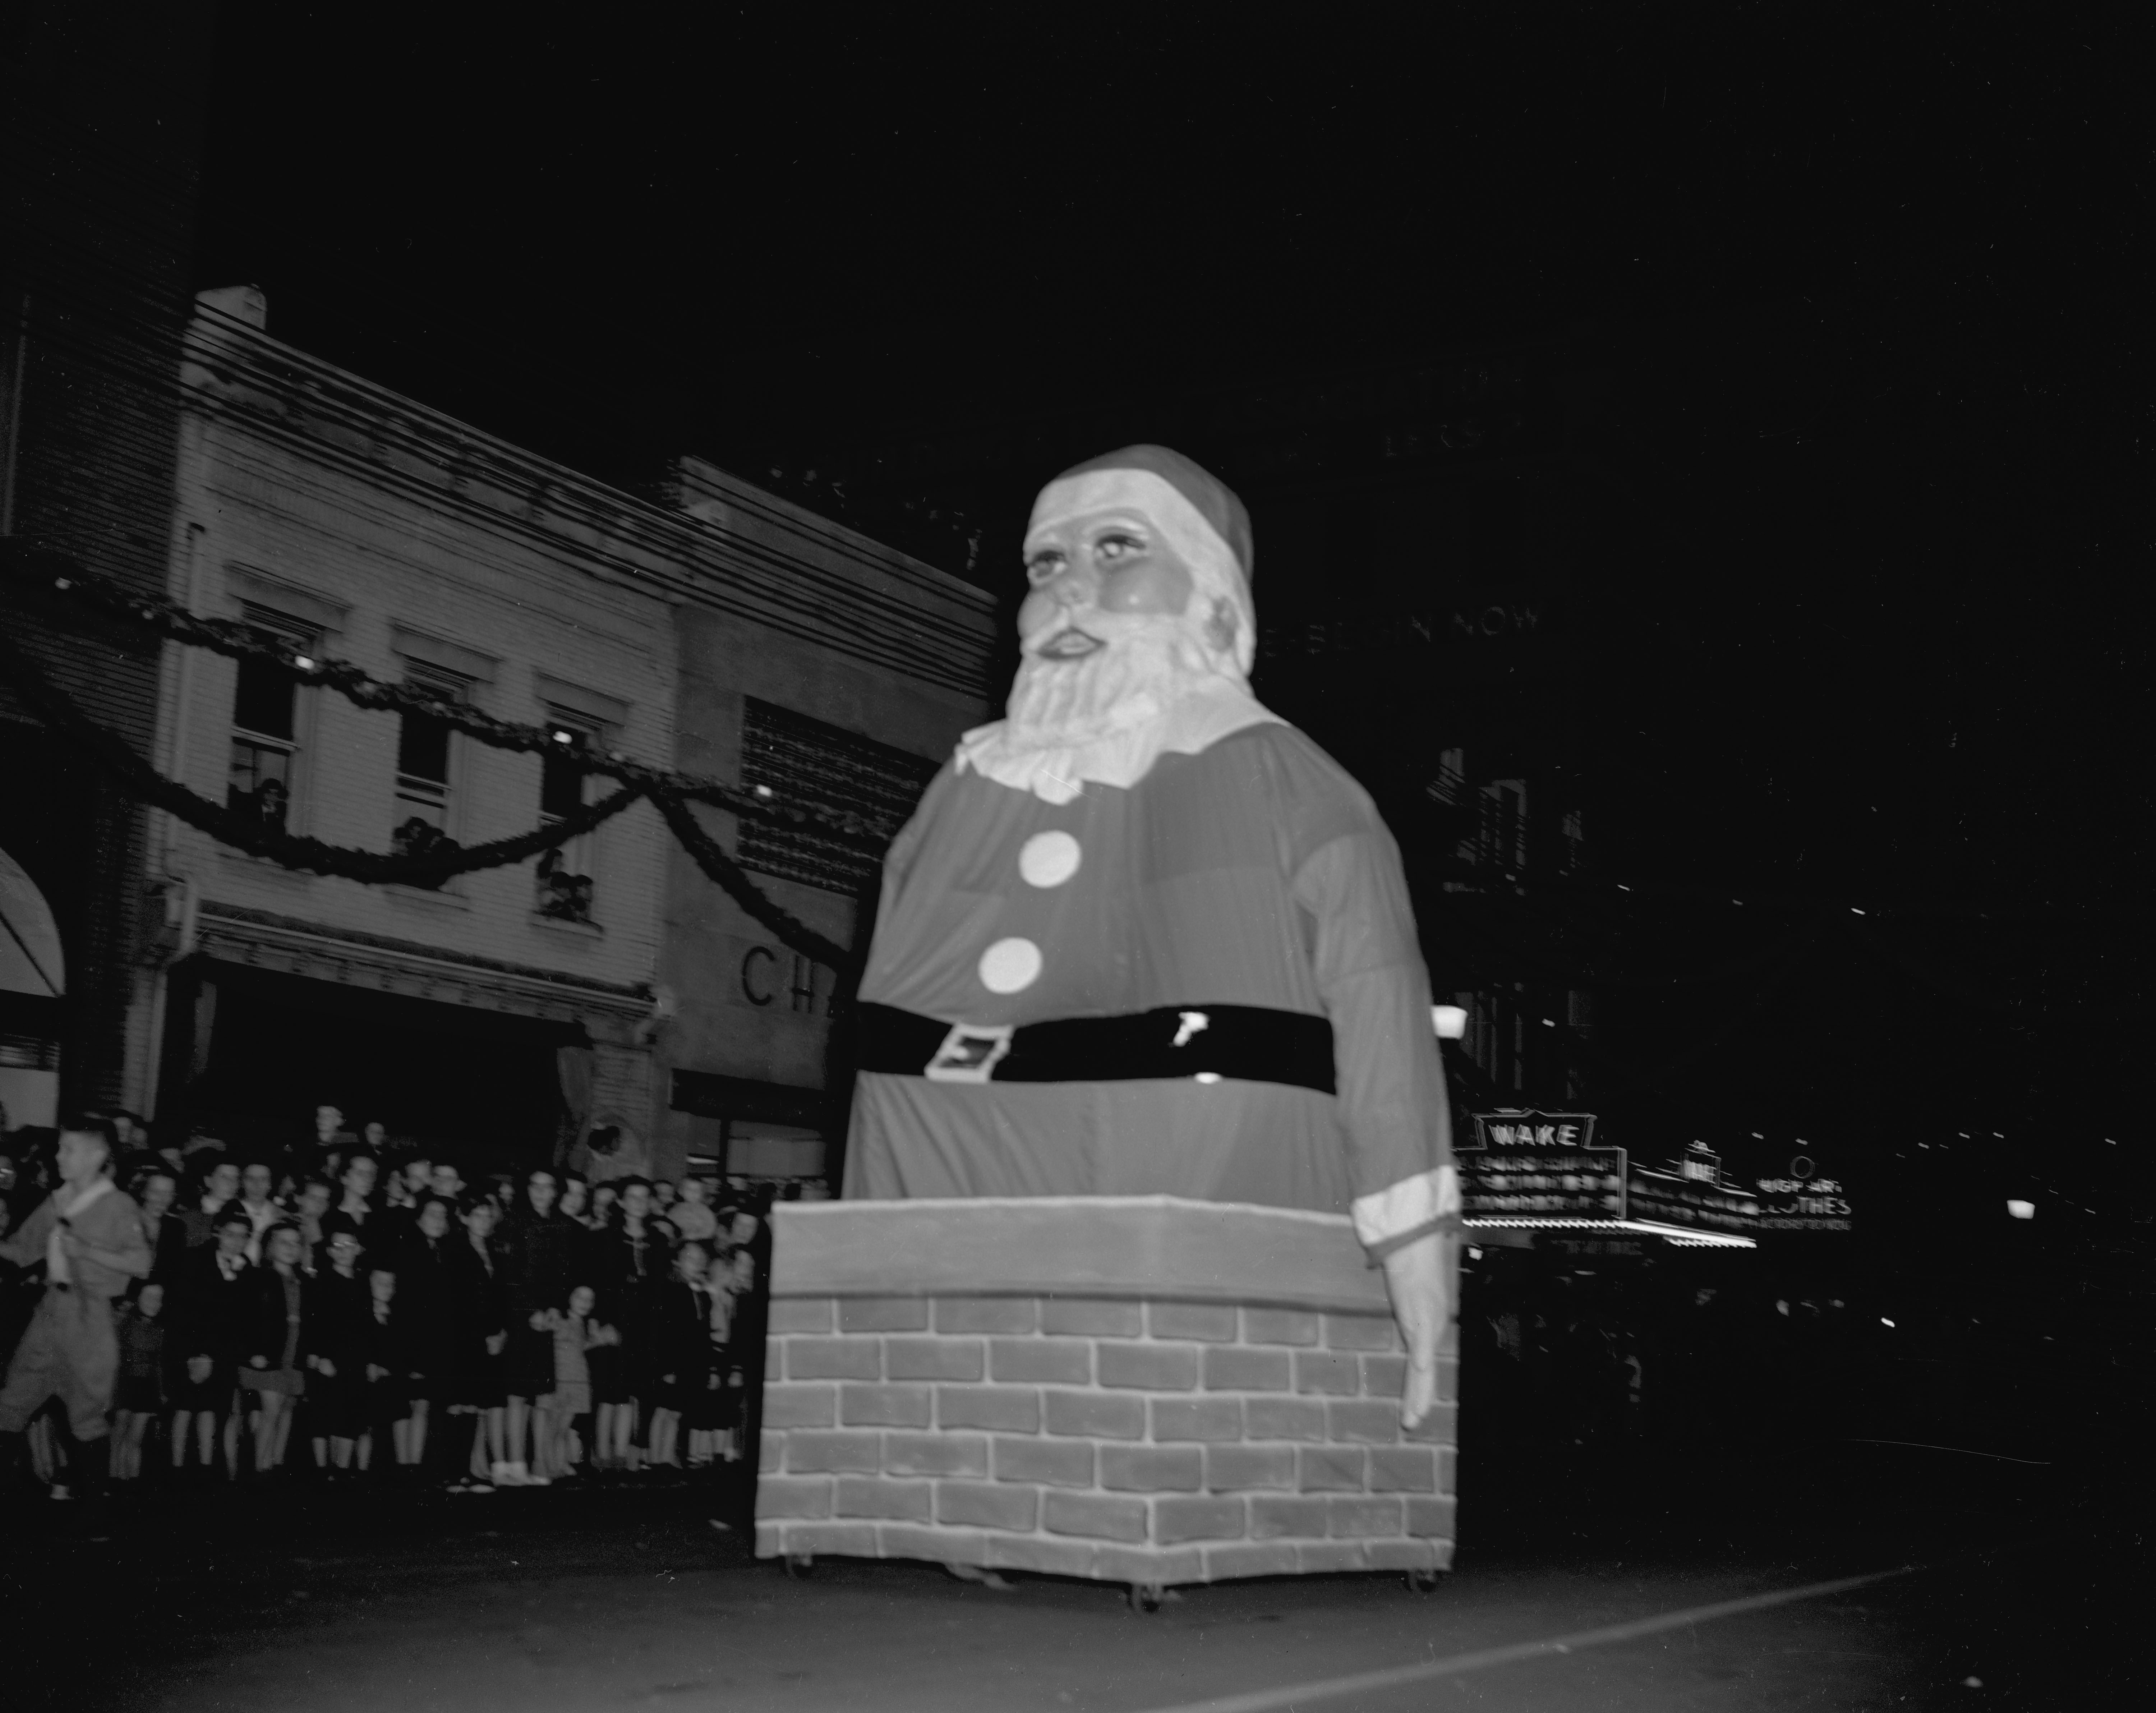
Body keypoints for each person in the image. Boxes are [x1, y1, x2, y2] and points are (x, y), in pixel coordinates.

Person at [844, 445, 1460, 1426]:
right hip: (959, 1182)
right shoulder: (962, 790)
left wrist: (1414, 1240)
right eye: (1045, 564)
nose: (1070, 587)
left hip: (1193, 1201)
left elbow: (1380, 1006)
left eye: (1117, 548)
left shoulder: (1287, 783)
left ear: (1215, 605)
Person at [0, 1117, 151, 1522]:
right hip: (50, 1310)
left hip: (91, 1315)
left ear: (97, 1156)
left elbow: (141, 1262)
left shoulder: (118, 1205)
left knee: (85, 1415)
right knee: (11, 1404)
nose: (59, 1157)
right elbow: (19, 1250)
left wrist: (85, 1250)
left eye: (69, 1150)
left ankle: (97, 1513)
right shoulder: (59, 1199)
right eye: (60, 1148)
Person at [499, 1168, 576, 1488]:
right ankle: (515, 1463)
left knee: (542, 1396)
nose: (542, 1192)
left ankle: (538, 1462)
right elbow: (509, 1272)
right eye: (536, 1186)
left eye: (548, 1187)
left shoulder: (564, 1226)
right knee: (517, 1394)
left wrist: (555, 1309)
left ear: (557, 1192)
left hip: (549, 1319)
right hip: (520, 1318)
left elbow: (565, 1274)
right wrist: (529, 1311)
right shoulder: (513, 1222)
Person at [171, 1206, 254, 1479]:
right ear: (218, 1232)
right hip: (192, 1347)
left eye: (244, 1237)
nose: (237, 1242)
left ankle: (206, 1469)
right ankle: (177, 1470)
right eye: (231, 1234)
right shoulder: (195, 1259)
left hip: (225, 1351)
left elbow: (242, 1315)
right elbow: (186, 1310)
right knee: (185, 1408)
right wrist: (197, 1353)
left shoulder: (245, 1267)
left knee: (213, 1409)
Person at [444, 1196, 510, 1490]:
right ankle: (452, 1472)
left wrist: (501, 1332)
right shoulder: (455, 1250)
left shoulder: (495, 1251)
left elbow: (501, 1297)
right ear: (466, 1218)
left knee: (476, 1405)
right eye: (478, 1216)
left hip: (491, 1338)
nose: (484, 1221)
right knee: (458, 1403)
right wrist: (481, 1333)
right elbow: (457, 1300)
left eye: (488, 1216)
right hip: (463, 1337)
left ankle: (467, 1471)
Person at [237, 1222, 311, 1473]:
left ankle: (275, 1463)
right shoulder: (257, 1276)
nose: (291, 1248)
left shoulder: (303, 1281)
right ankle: (260, 1467)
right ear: (270, 1245)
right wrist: (252, 1351)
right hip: (267, 1354)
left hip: (293, 1353)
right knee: (271, 1410)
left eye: (296, 1243)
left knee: (285, 1408)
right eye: (284, 1242)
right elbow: (245, 1318)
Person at [307, 1228, 372, 1475]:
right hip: (329, 1358)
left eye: (351, 1245)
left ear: (359, 1249)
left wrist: (371, 1359)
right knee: (325, 1414)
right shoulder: (321, 1282)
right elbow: (315, 1323)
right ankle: (323, 1471)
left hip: (356, 1359)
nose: (345, 1250)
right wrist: (320, 1355)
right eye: (339, 1246)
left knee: (351, 1414)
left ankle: (342, 1470)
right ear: (330, 1251)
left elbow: (367, 1326)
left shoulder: (361, 1281)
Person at [534, 1283, 611, 1481]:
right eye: (580, 1297)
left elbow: (580, 1346)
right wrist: (545, 1320)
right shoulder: (562, 1319)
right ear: (569, 1298)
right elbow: (544, 1325)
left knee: (563, 1427)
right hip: (563, 1381)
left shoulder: (582, 1324)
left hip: (578, 1382)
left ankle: (559, 1463)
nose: (585, 1303)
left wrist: (601, 1340)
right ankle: (544, 1466)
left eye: (590, 1300)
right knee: (554, 1426)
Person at [111, 1281, 169, 1482]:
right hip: (124, 1384)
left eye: (158, 1299)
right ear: (137, 1299)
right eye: (149, 1297)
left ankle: (131, 1481)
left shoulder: (159, 1330)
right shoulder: (124, 1324)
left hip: (147, 1387)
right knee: (119, 1434)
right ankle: (114, 1478)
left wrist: (161, 1393)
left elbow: (159, 1364)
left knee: (136, 1438)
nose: (154, 1303)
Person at [230, 1160, 282, 1263]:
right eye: (250, 1179)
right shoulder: (231, 1211)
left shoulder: (281, 1216)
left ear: (271, 1184)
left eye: (263, 1180)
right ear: (242, 1182)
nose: (257, 1185)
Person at [668, 1175, 719, 1245]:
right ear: (681, 1192)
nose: (693, 1193)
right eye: (689, 1190)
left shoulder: (705, 1210)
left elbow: (711, 1227)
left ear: (702, 1194)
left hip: (701, 1241)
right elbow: (670, 1224)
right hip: (680, 1241)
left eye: (697, 1191)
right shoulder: (676, 1209)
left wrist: (700, 1236)